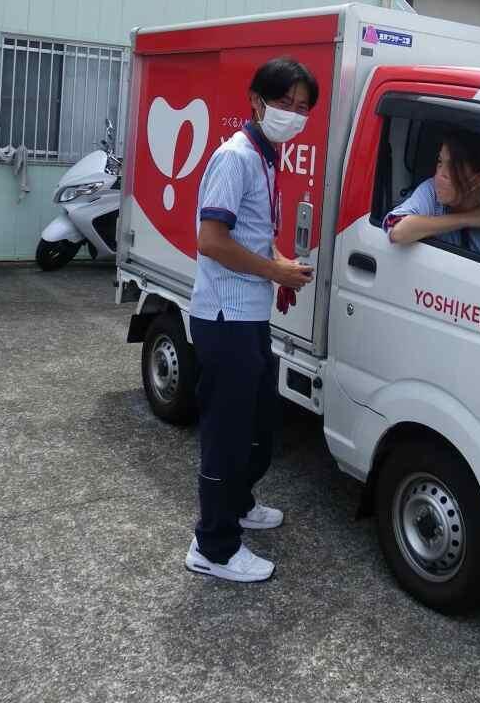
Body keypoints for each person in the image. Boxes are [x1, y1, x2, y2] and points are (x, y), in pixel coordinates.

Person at [184, 58, 318, 584]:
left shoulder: (267, 156)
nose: (293, 114)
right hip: (225, 317)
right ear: (256, 100)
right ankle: (213, 547)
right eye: (284, 103)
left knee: (260, 423)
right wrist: (272, 268)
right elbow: (211, 241)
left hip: (249, 313)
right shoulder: (235, 157)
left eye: (303, 107)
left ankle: (237, 504)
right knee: (228, 432)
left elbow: (252, 237)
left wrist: (277, 271)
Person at [383, 129, 480, 255]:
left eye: (453, 167)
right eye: (440, 162)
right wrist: (469, 218)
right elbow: (396, 229)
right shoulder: (432, 191)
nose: (439, 175)